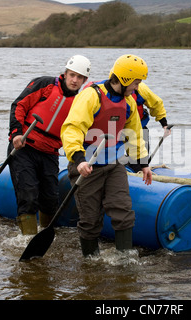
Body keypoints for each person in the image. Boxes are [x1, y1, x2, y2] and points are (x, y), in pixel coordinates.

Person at [60, 54, 153, 257]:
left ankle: (125, 260)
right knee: (90, 220)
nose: (137, 87)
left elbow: (135, 136)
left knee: (124, 212)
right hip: (87, 167)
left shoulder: (128, 102)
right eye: (136, 82)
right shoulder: (91, 96)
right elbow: (72, 129)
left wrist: (143, 164)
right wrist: (79, 160)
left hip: (114, 166)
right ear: (125, 79)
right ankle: (91, 263)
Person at [8, 55, 91, 235]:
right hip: (24, 147)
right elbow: (18, 106)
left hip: (50, 153)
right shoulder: (44, 84)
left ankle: (44, 237)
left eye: (79, 77)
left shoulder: (80, 102)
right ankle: (28, 240)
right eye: (72, 75)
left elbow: (80, 129)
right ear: (65, 73)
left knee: (50, 200)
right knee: (28, 196)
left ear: (84, 80)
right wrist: (16, 133)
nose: (75, 80)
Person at [127, 82, 171, 172]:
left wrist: (164, 124)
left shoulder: (140, 89)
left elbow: (156, 104)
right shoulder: (111, 92)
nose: (136, 86)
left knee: (142, 158)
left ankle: (140, 171)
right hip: (118, 129)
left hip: (139, 126)